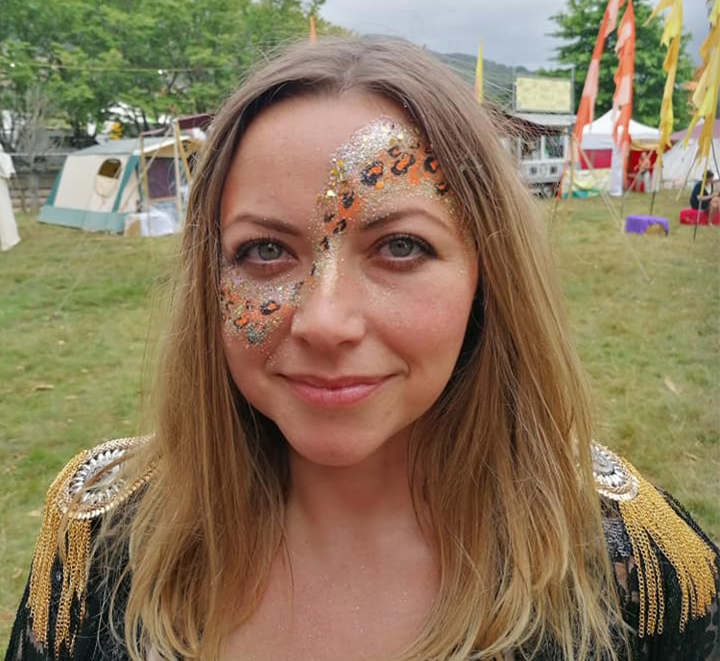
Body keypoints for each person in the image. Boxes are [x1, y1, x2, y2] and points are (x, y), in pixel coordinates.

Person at [5, 38, 719, 661]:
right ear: (206, 280)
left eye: (401, 247)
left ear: (488, 277)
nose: (325, 321)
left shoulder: (640, 569)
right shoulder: (98, 540)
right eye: (262, 251)